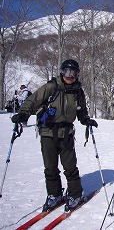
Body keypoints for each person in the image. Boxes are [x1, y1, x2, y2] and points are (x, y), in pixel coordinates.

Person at [11, 59, 98, 212]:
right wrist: (23, 114)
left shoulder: (78, 91)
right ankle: (54, 194)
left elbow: (81, 111)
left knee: (70, 167)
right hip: (48, 132)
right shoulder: (52, 87)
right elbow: (32, 100)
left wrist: (86, 120)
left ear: (77, 74)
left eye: (73, 73)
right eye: (67, 72)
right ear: (62, 72)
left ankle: (75, 194)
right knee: (50, 167)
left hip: (66, 134)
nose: (69, 76)